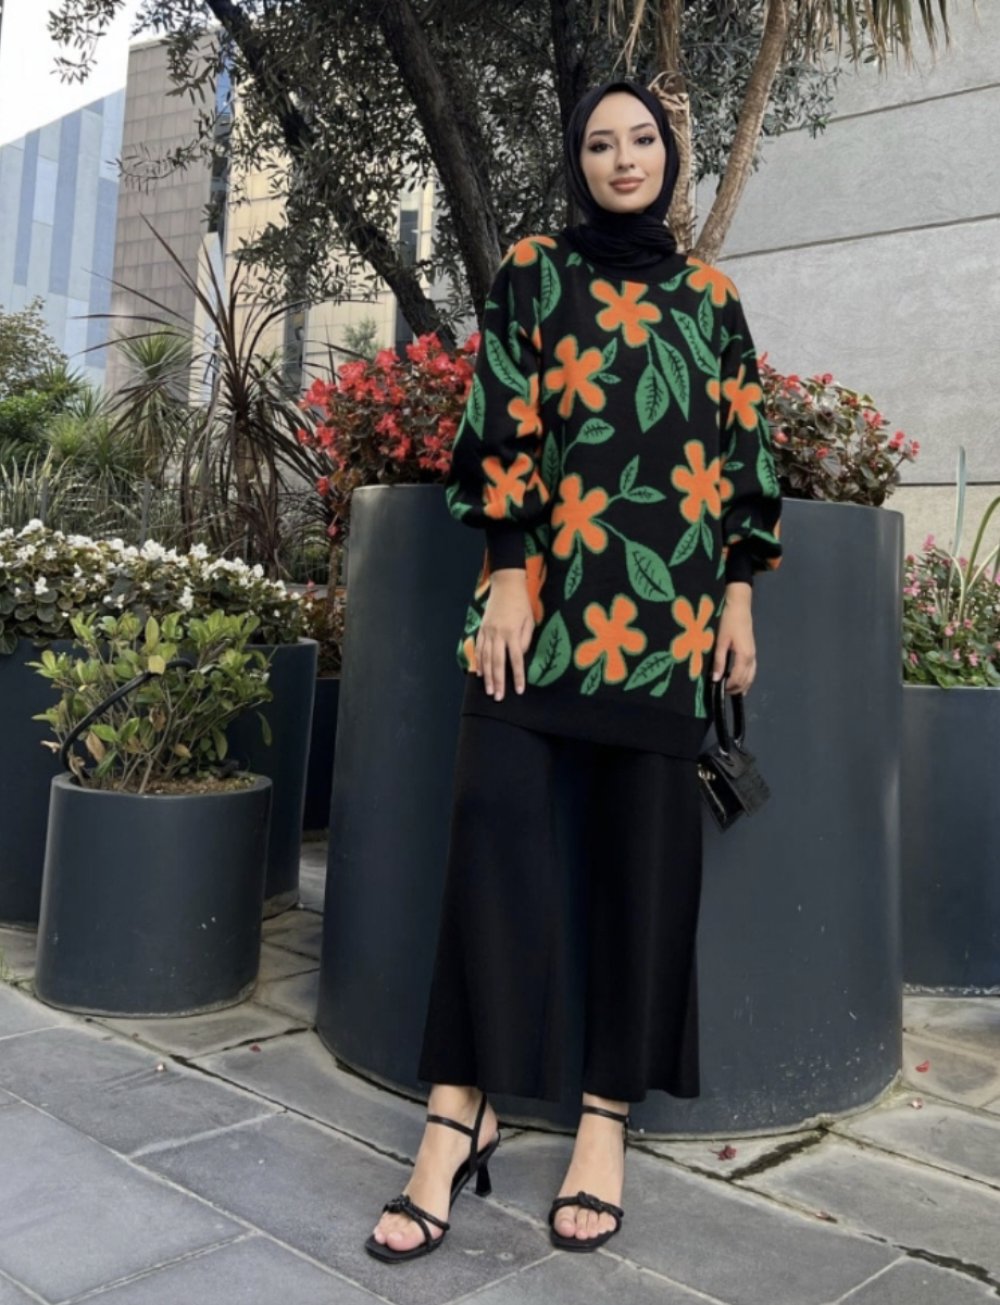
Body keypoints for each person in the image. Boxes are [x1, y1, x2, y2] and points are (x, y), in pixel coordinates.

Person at [366, 78, 782, 1264]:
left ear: (669, 157)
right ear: (577, 161)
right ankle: (458, 1113)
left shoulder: (712, 299)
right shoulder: (534, 275)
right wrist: (508, 571)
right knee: (491, 840)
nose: (622, 158)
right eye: (599, 143)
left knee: (645, 872)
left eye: (640, 140)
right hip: (539, 611)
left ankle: (605, 1119)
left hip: (668, 624)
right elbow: (501, 419)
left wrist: (738, 592)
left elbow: (741, 451)